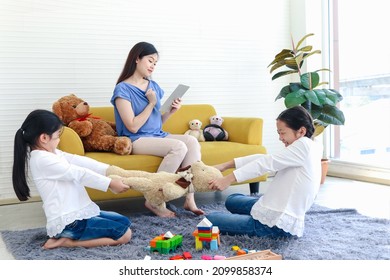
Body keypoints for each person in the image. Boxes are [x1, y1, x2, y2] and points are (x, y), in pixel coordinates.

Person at [12, 109, 132, 249]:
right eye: (58, 135)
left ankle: (67, 236)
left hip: (79, 213)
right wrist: (110, 183)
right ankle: (67, 242)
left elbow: (77, 161)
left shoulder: (52, 153)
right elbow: (78, 173)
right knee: (125, 234)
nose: (59, 139)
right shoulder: (42, 160)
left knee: (123, 222)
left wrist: (108, 169)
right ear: (44, 138)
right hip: (70, 222)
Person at [111, 41, 203, 218]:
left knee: (191, 141)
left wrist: (171, 112)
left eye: (155, 63)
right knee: (178, 146)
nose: (153, 66)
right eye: (150, 60)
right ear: (137, 58)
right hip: (135, 139)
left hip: (156, 135)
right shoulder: (122, 89)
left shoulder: (153, 87)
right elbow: (132, 125)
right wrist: (151, 103)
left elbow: (156, 123)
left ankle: (189, 196)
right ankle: (155, 200)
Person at [206, 106, 323, 238]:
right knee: (231, 200)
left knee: (211, 219)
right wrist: (225, 165)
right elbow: (265, 159)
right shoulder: (309, 145)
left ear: (301, 131)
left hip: (276, 224)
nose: (280, 138)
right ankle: (256, 213)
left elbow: (266, 164)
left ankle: (257, 224)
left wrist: (228, 179)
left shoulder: (303, 146)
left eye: (282, 133)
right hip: (270, 208)